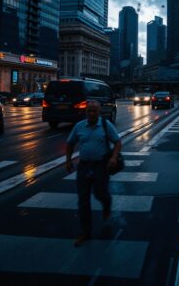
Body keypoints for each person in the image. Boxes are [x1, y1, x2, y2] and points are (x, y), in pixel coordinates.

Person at [65, 100, 122, 247]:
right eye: (89, 111)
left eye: (94, 111)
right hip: (83, 167)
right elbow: (70, 143)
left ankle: (106, 203)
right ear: (86, 112)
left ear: (99, 112)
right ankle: (85, 232)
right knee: (83, 201)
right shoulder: (79, 126)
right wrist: (68, 160)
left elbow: (117, 142)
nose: (91, 113)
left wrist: (114, 158)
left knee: (100, 193)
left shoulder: (105, 125)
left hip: (101, 166)